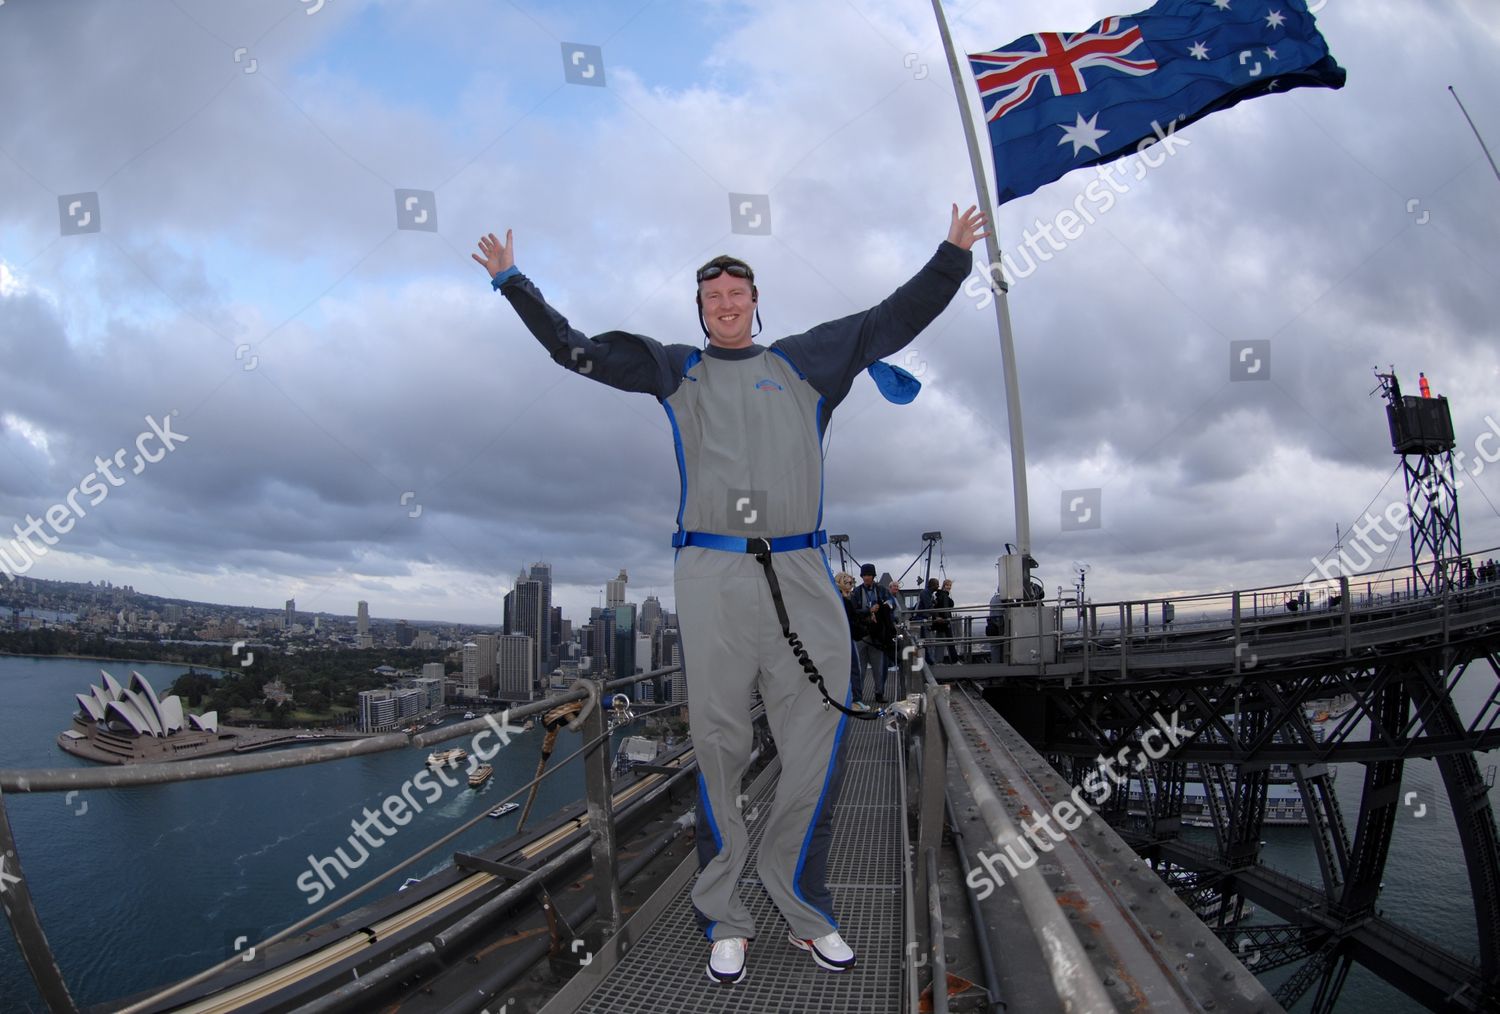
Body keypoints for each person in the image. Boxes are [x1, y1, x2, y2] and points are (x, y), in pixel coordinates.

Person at [473, 205, 986, 986]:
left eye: (736, 291)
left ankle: (804, 910)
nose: (724, 302)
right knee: (717, 748)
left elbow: (892, 320)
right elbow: (576, 352)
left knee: (818, 745)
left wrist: (950, 257)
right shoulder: (677, 369)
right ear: (700, 309)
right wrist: (515, 283)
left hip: (804, 572)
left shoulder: (807, 362)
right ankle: (723, 915)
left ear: (755, 300)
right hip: (712, 576)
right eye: (711, 294)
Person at [854, 563, 899, 703]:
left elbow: (892, 603)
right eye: (864, 575)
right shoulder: (856, 592)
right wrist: (869, 611)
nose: (866, 577)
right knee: (860, 669)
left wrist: (884, 606)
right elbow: (854, 611)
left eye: (868, 575)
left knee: (879, 668)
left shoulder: (881, 590)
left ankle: (879, 693)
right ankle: (858, 696)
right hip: (862, 635)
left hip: (878, 636)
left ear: (873, 576)